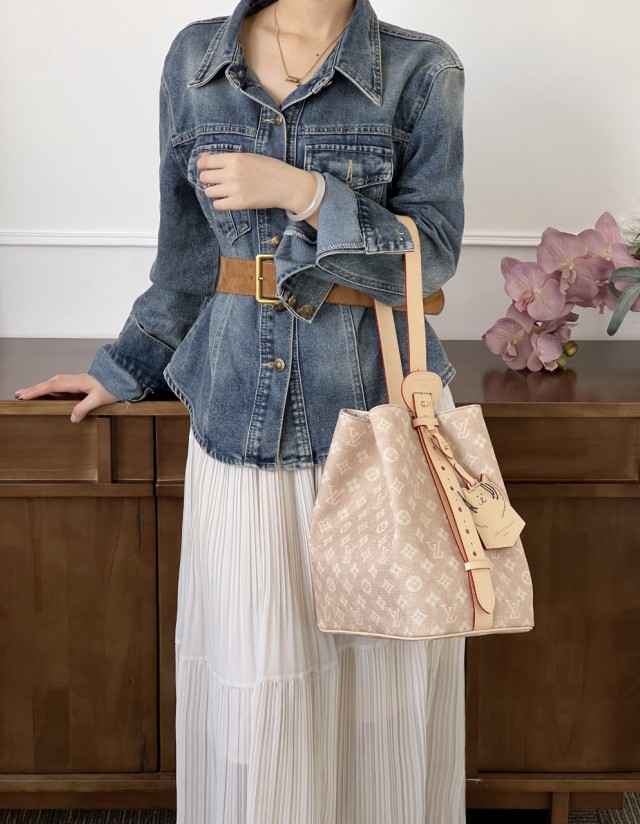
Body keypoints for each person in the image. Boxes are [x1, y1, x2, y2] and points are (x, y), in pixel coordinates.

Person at [16, 0, 466, 821]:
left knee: (378, 684)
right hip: (238, 428)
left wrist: (308, 194)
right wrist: (123, 369)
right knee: (258, 688)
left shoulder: (421, 68)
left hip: (372, 428)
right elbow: (187, 263)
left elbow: (431, 255)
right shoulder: (196, 62)